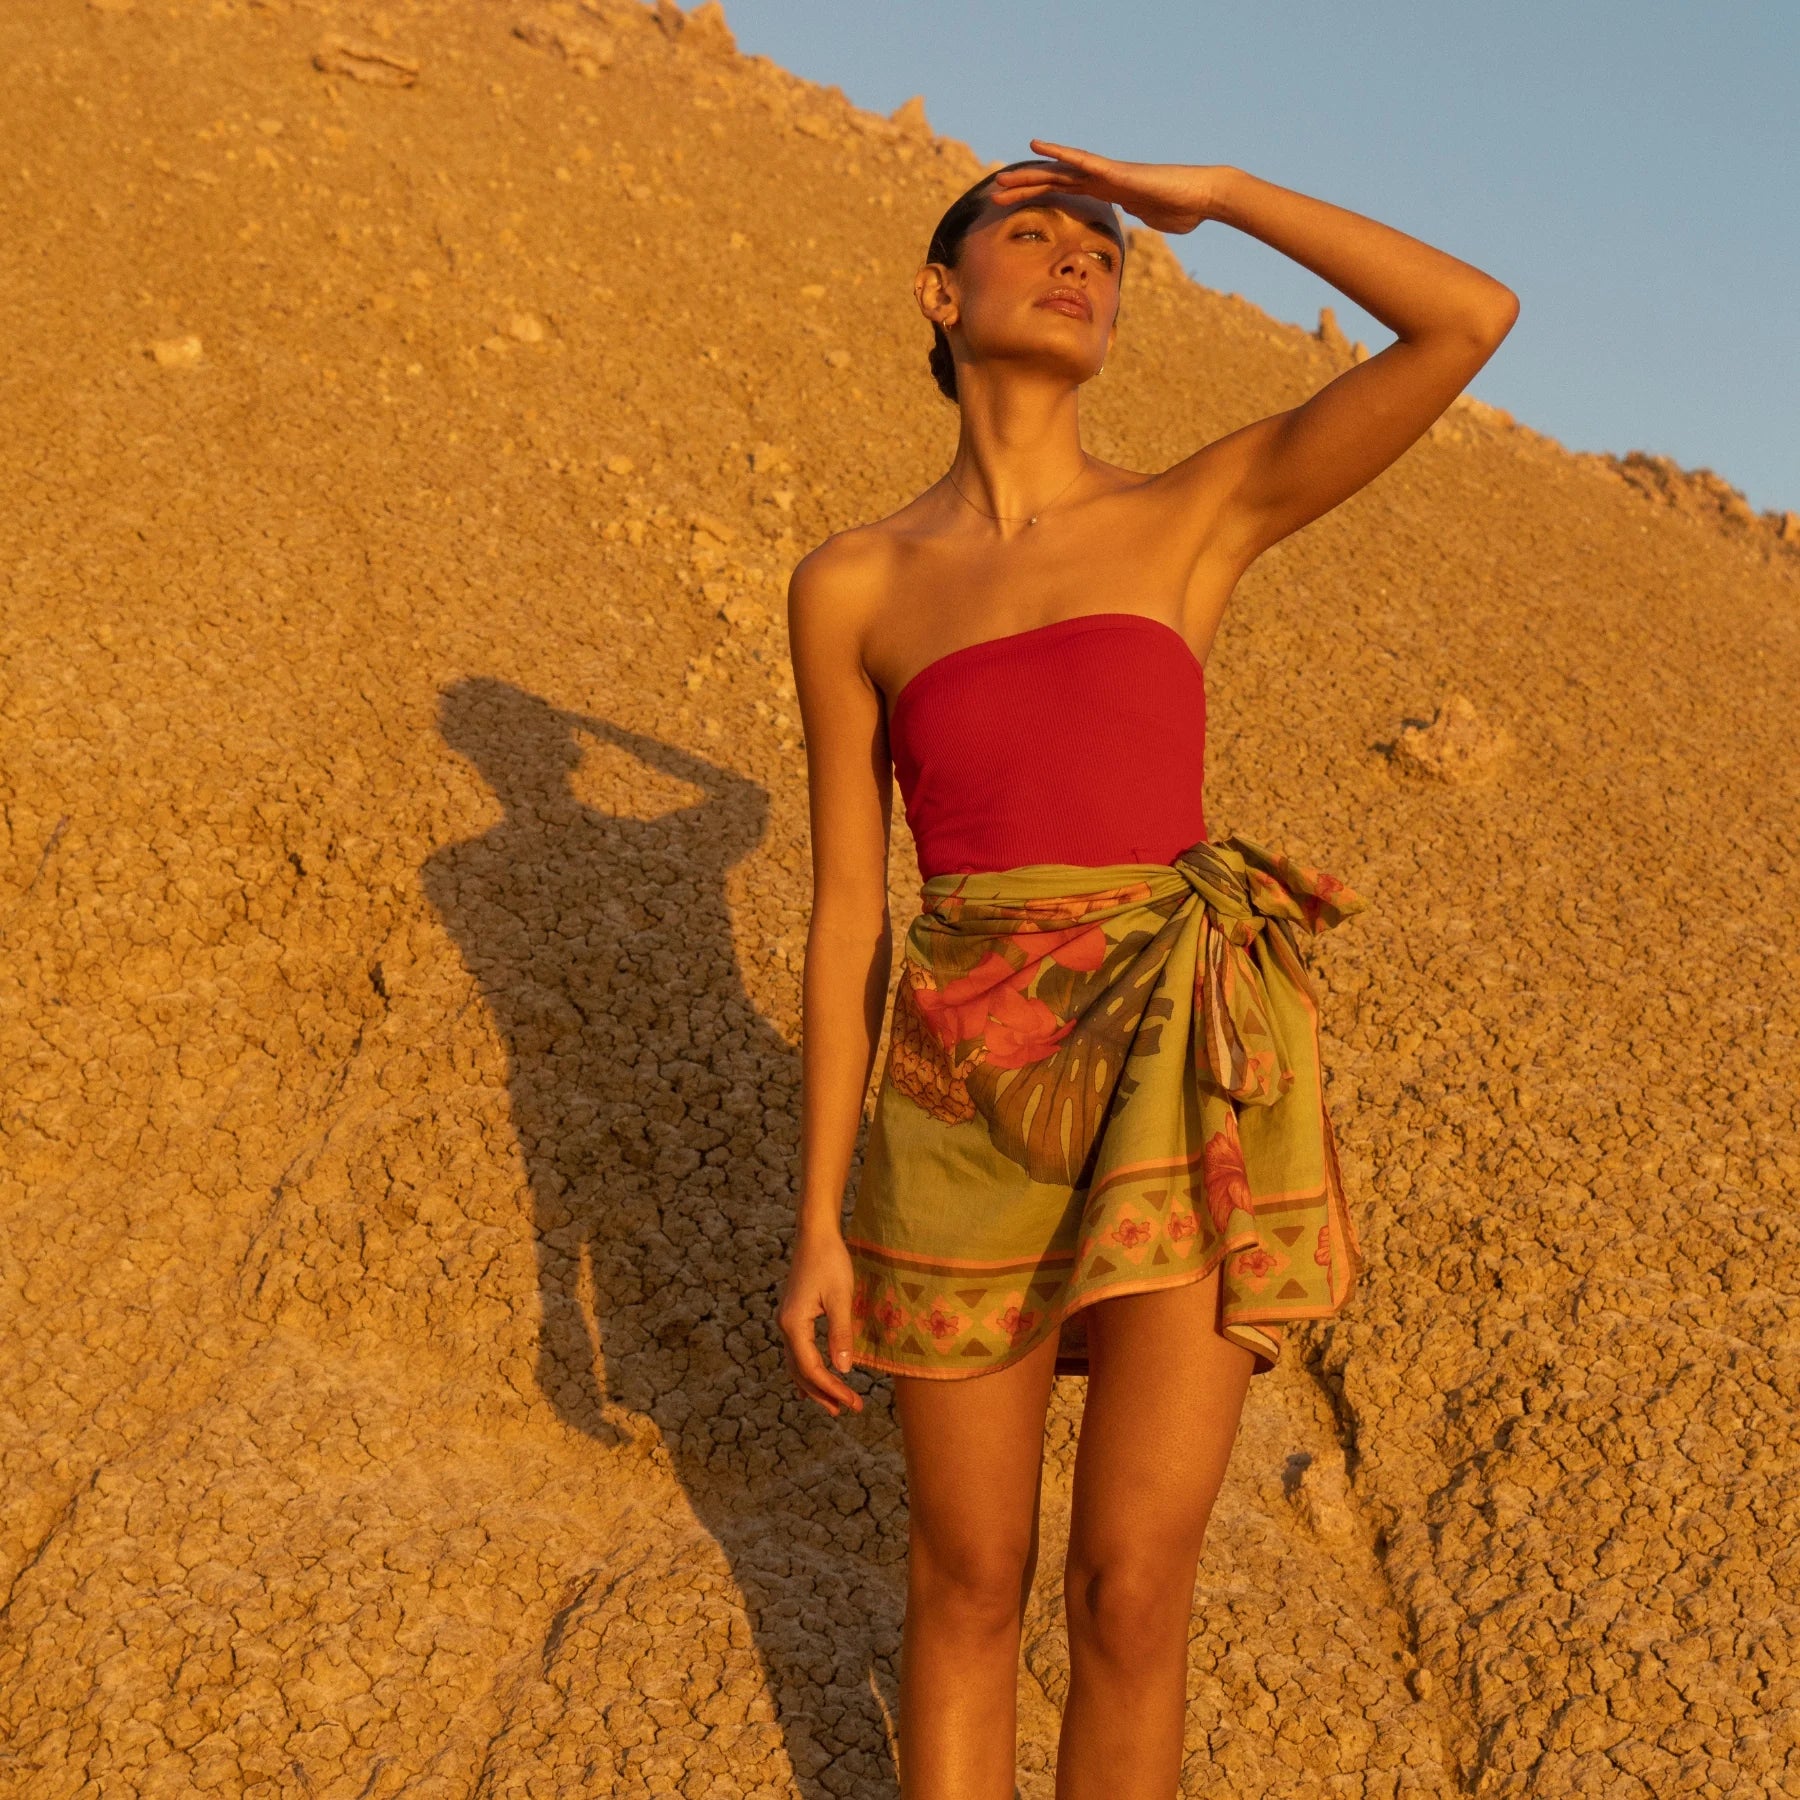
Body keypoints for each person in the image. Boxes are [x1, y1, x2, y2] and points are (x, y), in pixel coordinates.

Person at [777, 140, 1517, 1800]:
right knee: (967, 1582)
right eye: (1035, 230)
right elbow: (848, 916)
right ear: (939, 291)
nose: (1080, 257)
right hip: (958, 1096)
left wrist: (1224, 197)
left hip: (1180, 1070)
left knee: (1129, 1588)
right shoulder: (854, 583)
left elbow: (1466, 320)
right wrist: (819, 1219)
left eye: (1107, 250)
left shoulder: (1192, 513)